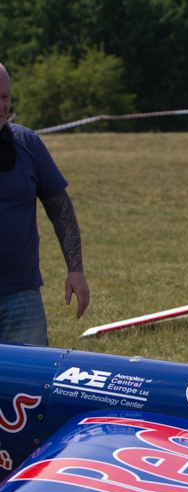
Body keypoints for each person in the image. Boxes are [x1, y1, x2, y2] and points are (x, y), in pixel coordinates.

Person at [0, 63, 90, 345]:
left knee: (26, 385)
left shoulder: (28, 143)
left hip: (21, 295)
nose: (1, 106)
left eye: (5, 97)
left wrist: (75, 269)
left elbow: (61, 209)